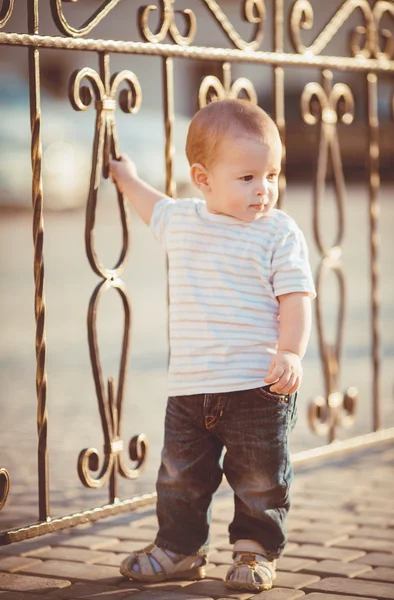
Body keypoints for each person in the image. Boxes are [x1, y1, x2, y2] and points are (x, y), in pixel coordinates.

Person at [109, 98, 316, 593]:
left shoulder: (278, 231)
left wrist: (290, 352)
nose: (263, 189)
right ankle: (179, 550)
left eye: (271, 175)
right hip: (190, 388)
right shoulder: (182, 221)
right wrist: (124, 177)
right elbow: (148, 203)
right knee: (179, 479)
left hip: (257, 386)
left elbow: (296, 297)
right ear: (202, 179)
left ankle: (256, 552)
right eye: (247, 178)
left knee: (260, 481)